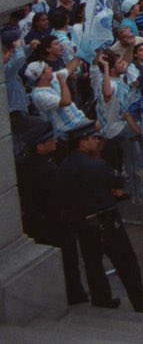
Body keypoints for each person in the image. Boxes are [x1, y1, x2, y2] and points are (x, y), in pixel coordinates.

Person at [57, 124, 143, 314]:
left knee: (93, 262)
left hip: (82, 221)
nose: (97, 141)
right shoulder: (97, 165)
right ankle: (142, 303)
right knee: (126, 263)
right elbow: (116, 182)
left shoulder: (65, 165)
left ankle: (102, 298)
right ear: (82, 142)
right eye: (93, 138)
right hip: (104, 220)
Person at [14, 119, 87, 305]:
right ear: (39, 146)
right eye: (50, 140)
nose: (55, 141)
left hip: (35, 220)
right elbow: (58, 199)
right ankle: (74, 295)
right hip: (55, 223)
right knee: (68, 261)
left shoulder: (23, 165)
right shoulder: (49, 170)